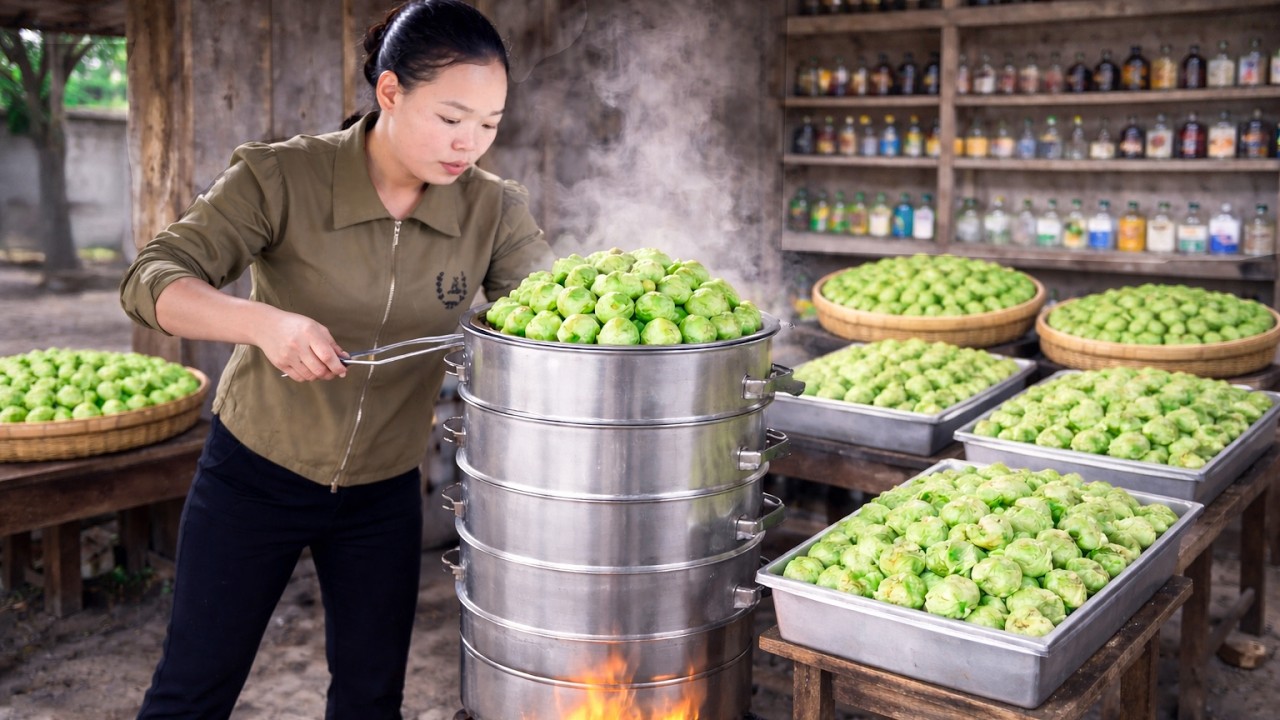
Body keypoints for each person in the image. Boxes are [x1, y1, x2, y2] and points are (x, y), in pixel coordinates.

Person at [119, 1, 554, 717]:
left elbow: (551, 313)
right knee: (193, 689)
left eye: (489, 124)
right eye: (451, 118)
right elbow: (151, 281)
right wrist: (263, 324)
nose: (469, 144)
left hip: (385, 489)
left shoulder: (492, 209)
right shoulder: (280, 176)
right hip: (255, 474)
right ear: (390, 92)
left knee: (370, 698)